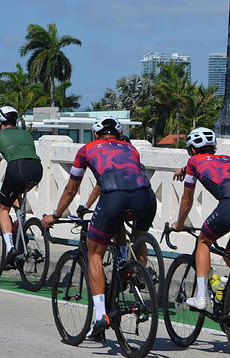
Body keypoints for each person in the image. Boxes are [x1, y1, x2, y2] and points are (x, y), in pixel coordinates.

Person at [42, 117, 156, 342]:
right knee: (129, 229)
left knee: (94, 253)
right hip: (146, 196)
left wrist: (55, 215)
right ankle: (129, 266)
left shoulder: (86, 149)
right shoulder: (131, 149)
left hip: (114, 197)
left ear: (96, 135)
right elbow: (120, 177)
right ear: (118, 134)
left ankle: (100, 316)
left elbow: (71, 188)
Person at [171, 127, 230, 311]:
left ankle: (202, 297)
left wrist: (179, 224)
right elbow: (211, 164)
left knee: (204, 241)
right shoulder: (228, 159)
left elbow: (187, 200)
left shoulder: (193, 161)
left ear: (192, 150)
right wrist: (183, 169)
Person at [0, 106, 43, 269]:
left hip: (16, 168)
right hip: (37, 169)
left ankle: (11, 248)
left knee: (3, 209)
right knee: (16, 194)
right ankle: (20, 224)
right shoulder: (26, 134)